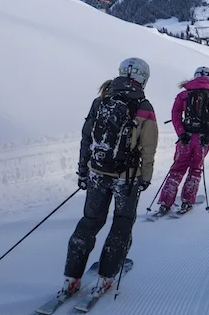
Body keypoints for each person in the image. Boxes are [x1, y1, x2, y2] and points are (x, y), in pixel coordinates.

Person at [61, 57, 158, 298]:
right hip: (127, 178)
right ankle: (106, 277)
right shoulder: (144, 106)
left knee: (89, 222)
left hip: (96, 173)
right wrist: (145, 177)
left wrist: (83, 171)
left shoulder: (100, 100)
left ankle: (71, 278)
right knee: (121, 224)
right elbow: (149, 147)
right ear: (143, 79)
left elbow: (86, 139)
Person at [155, 66, 209, 215]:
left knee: (177, 169)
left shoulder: (183, 95)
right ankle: (187, 201)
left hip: (185, 138)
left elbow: (175, 115)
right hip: (202, 140)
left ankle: (165, 202)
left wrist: (181, 133)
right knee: (195, 169)